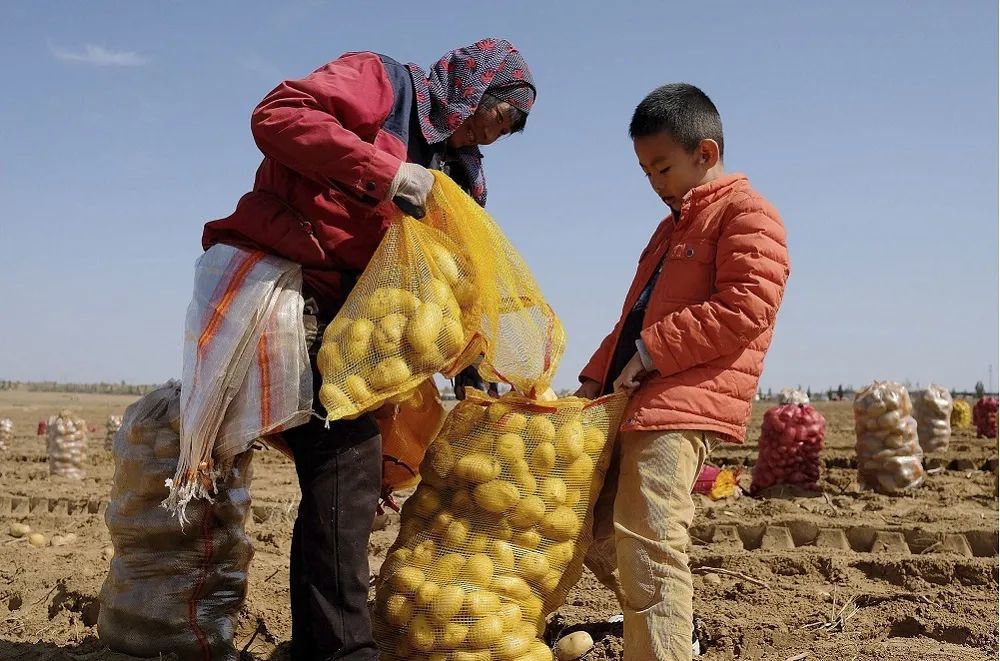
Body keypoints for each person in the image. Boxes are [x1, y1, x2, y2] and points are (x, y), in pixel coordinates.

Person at [201, 38, 536, 660]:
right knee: (345, 457)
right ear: (475, 88)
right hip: (286, 284)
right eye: (495, 119)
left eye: (506, 134)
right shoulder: (383, 83)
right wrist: (387, 173)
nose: (490, 140)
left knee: (357, 468)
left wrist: (473, 378)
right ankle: (339, 649)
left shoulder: (459, 176)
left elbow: (452, 282)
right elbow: (277, 116)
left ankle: (325, 644)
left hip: (358, 329)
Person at [576, 83, 790, 660]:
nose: (654, 182)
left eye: (663, 167)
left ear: (706, 153)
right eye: (645, 171)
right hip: (637, 400)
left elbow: (746, 306)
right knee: (588, 531)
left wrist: (652, 353)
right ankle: (674, 632)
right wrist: (595, 376)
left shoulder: (750, 214)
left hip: (684, 403)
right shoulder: (670, 228)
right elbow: (635, 316)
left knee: (649, 536)